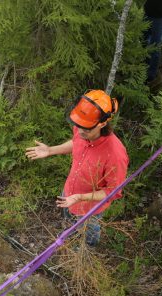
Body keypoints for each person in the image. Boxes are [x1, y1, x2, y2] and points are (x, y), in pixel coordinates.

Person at [26, 90, 129, 246]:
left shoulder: (115, 154)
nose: (80, 131)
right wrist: (50, 150)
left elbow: (112, 192)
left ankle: (84, 254)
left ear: (102, 123)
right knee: (70, 223)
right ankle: (71, 235)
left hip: (89, 209)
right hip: (68, 193)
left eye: (86, 129)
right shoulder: (82, 128)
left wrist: (80, 197)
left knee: (88, 239)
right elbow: (76, 142)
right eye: (78, 126)